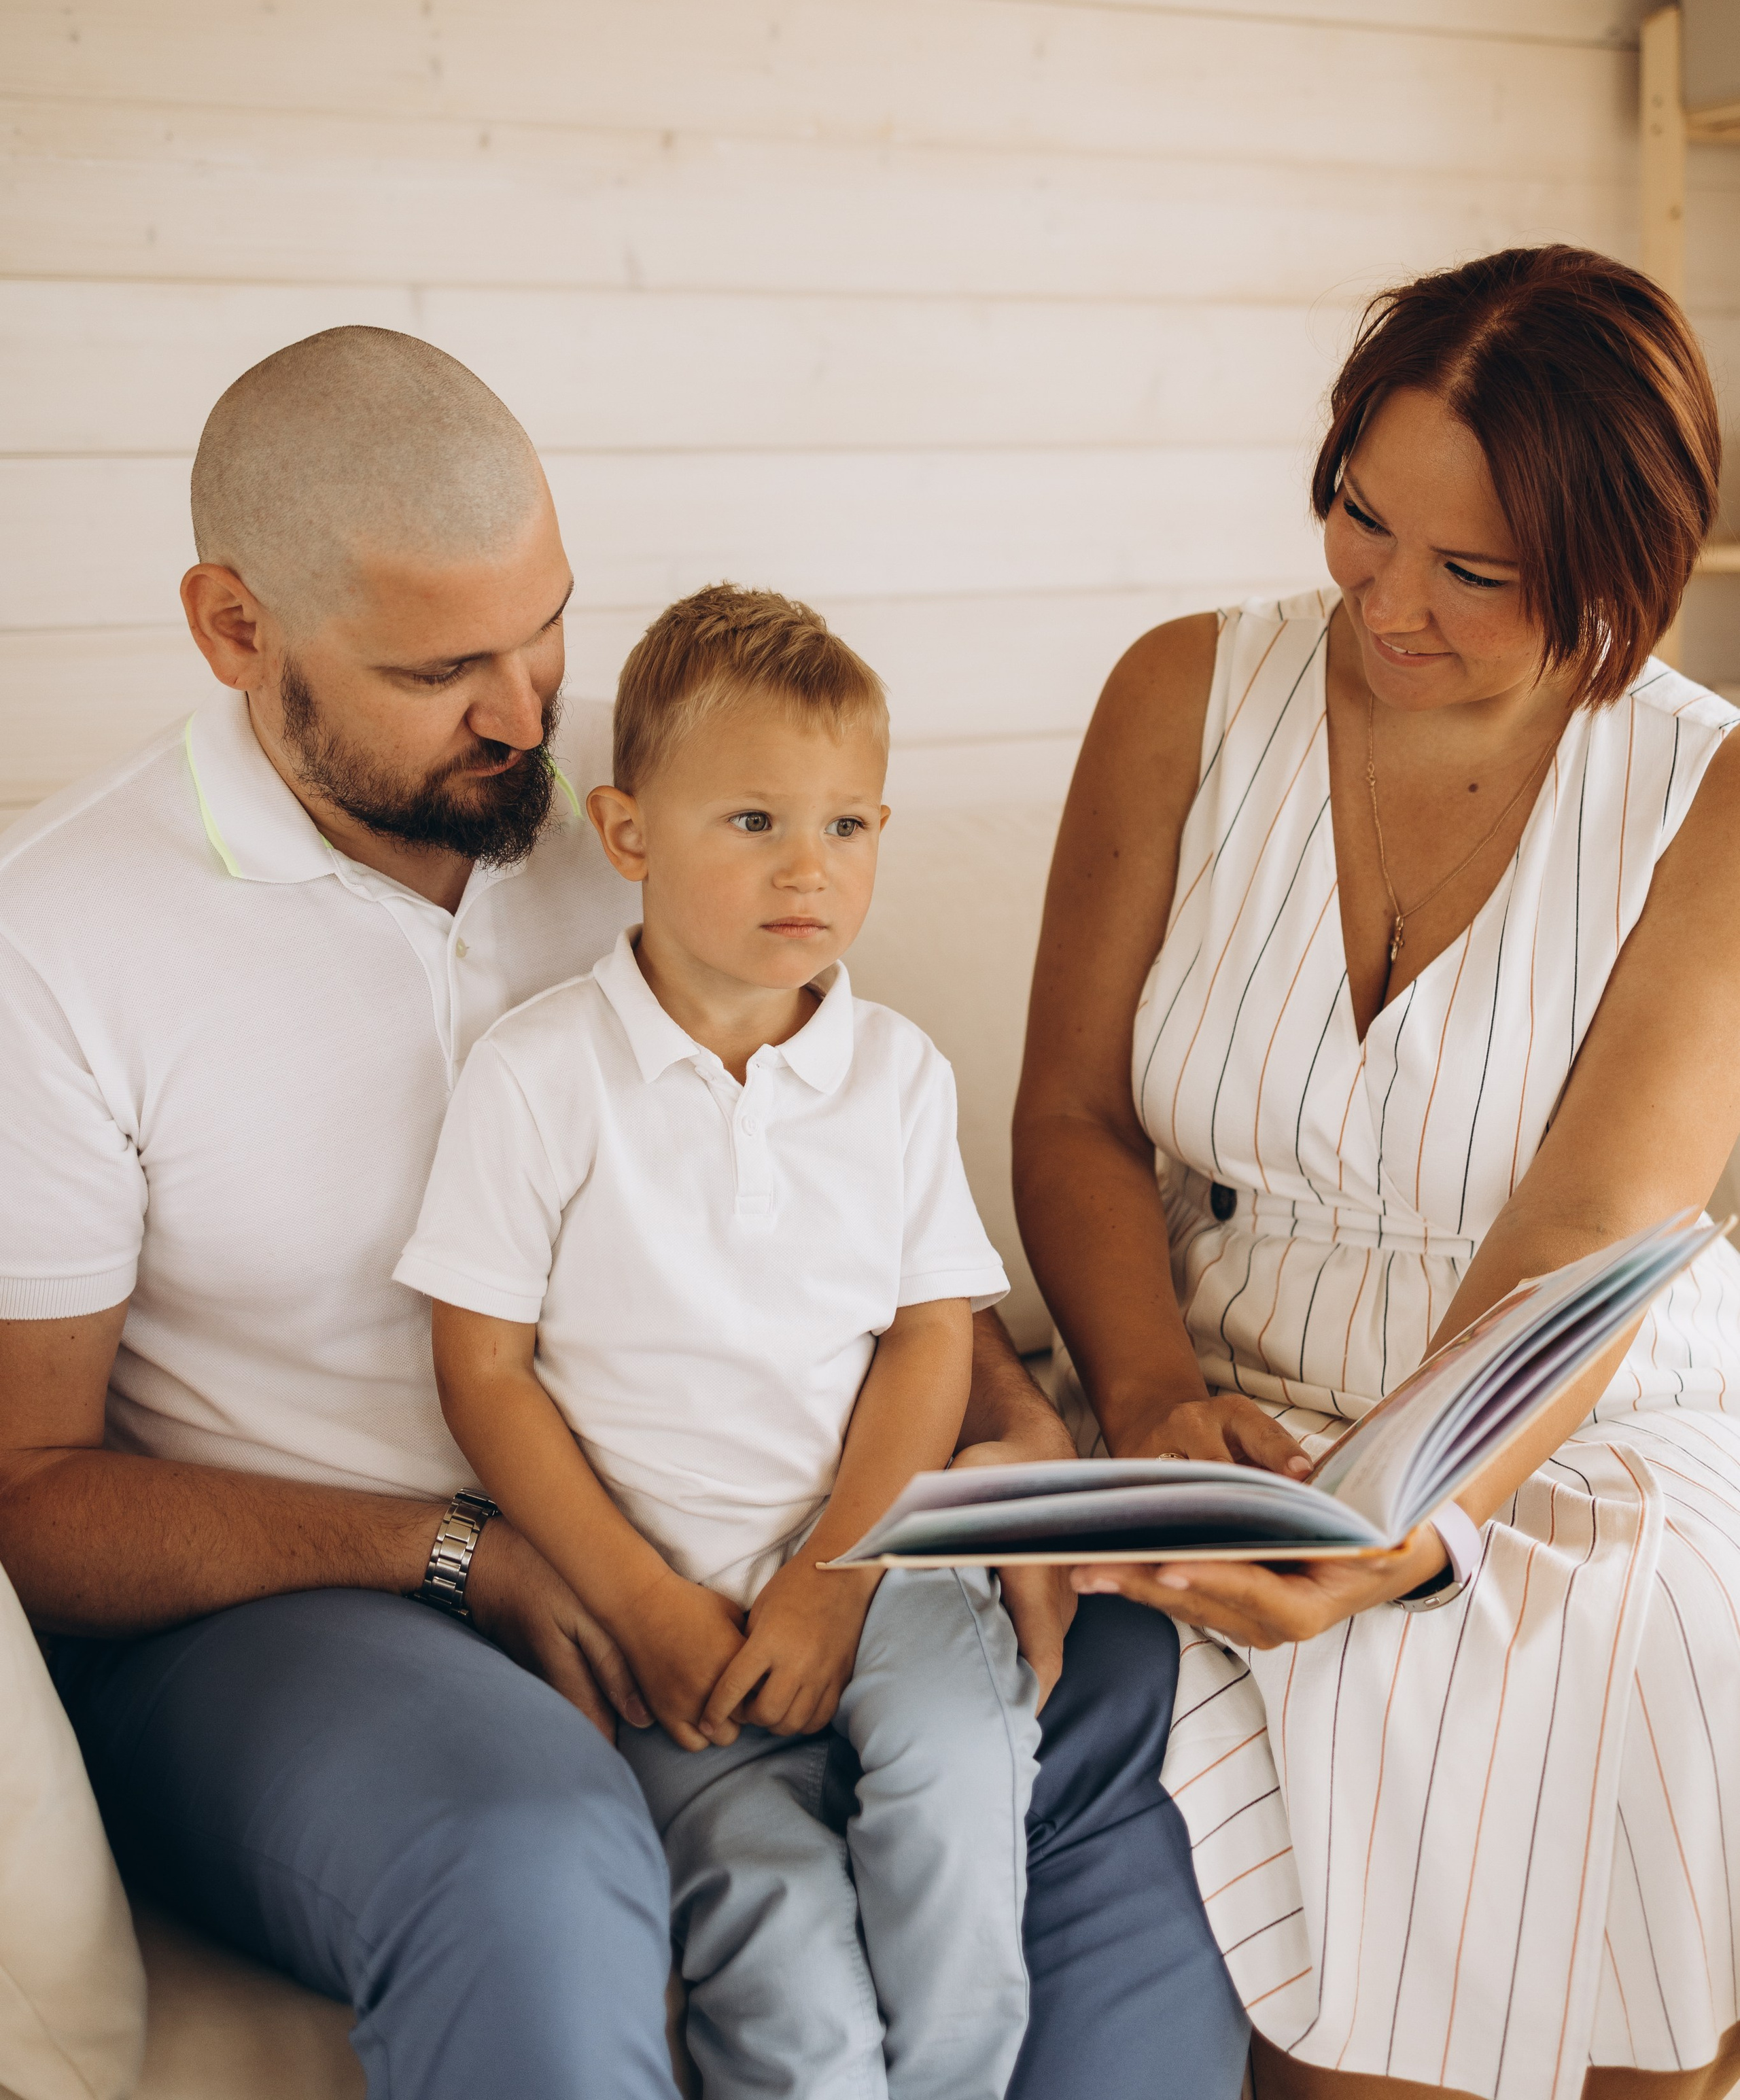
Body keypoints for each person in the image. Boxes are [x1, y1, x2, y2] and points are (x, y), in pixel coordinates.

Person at [0, 326, 1247, 2099]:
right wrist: (458, 1555)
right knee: (523, 1842)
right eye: (442, 667)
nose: (523, 709)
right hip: (309, 1603)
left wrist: (1009, 1433)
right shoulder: (55, 942)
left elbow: (854, 1183)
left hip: (738, 1518)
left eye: (544, 628)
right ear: (235, 629)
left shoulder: (664, 814)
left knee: (1106, 1682)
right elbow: (30, 1494)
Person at [1014, 246, 1740, 2100]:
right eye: (1362, 517)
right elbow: (1077, 1118)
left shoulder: (1706, 794)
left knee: (1551, 1654)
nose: (1388, 604)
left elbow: (1595, 1236)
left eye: (1474, 574)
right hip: (1209, 1374)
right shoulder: (1183, 693)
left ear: (1618, 576)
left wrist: (1403, 1532)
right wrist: (1156, 1396)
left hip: (1564, 1396)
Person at [398, 584, 1039, 2099]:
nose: (806, 870)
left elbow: (927, 1336)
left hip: (878, 1572)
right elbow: (480, 1369)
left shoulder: (893, 1074)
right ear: (625, 833)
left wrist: (828, 1586)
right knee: (781, 1958)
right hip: (666, 1623)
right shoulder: (540, 1074)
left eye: (848, 827)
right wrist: (640, 1605)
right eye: (751, 821)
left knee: (955, 1804)